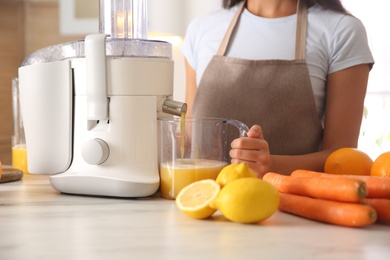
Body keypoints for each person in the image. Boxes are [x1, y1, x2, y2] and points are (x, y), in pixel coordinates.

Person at [181, 0, 374, 177]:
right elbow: (188, 140)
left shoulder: (342, 31)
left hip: (292, 210)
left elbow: (342, 157)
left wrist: (272, 165)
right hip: (201, 204)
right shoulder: (201, 29)